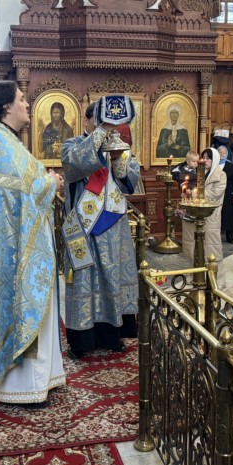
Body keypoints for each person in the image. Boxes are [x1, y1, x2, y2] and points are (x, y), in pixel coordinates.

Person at [0, 80, 65, 406]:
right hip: (17, 252)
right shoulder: (4, 146)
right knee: (25, 306)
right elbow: (30, 189)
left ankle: (39, 379)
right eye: (22, 99)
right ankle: (25, 388)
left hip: (11, 246)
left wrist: (46, 182)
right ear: (7, 107)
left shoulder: (2, 142)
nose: (27, 104)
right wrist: (51, 182)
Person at [61, 102, 140, 359]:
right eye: (99, 121)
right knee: (84, 280)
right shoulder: (72, 145)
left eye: (110, 123)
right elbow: (74, 165)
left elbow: (130, 183)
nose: (107, 128)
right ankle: (82, 341)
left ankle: (112, 336)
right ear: (86, 120)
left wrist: (118, 159)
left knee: (112, 278)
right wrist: (100, 133)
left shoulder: (119, 147)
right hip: (83, 228)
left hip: (114, 229)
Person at [182, 148, 227, 287]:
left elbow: (215, 194)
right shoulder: (198, 172)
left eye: (208, 158)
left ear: (215, 160)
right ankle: (194, 275)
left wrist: (195, 193)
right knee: (193, 248)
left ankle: (217, 281)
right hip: (195, 215)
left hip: (211, 216)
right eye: (203, 157)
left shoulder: (221, 175)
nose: (204, 160)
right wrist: (186, 190)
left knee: (213, 249)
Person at [217, 145, 233, 243]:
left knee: (229, 215)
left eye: (224, 152)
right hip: (216, 193)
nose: (222, 154)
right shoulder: (213, 165)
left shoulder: (231, 165)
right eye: (220, 152)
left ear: (227, 154)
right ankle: (216, 236)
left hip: (228, 193)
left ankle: (229, 236)